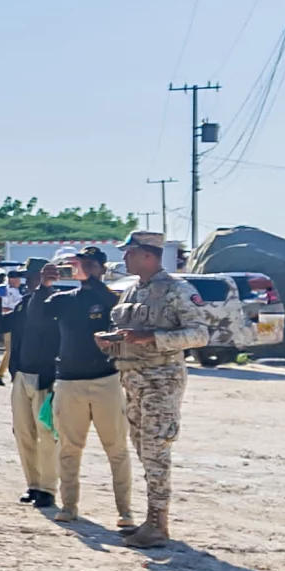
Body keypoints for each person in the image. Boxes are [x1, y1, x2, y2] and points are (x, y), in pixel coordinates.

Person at [101, 230, 209, 546]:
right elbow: (127, 330)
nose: (124, 258)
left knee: (156, 449)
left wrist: (154, 338)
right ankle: (151, 520)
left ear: (148, 255)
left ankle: (158, 525)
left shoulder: (177, 290)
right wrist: (111, 341)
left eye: (130, 252)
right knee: (143, 450)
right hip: (132, 380)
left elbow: (200, 335)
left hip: (161, 381)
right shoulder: (132, 291)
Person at [46, 246, 133, 528]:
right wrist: (43, 285)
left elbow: (111, 305)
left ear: (102, 268)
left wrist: (93, 280)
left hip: (104, 379)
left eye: (90, 264)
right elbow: (39, 315)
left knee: (116, 448)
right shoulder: (64, 299)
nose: (82, 267)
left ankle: (125, 511)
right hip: (69, 381)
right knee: (69, 448)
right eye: (79, 263)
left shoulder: (110, 298)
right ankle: (69, 505)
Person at [0, 259, 60, 507]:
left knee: (47, 434)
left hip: (45, 377)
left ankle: (48, 488)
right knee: (23, 433)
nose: (27, 281)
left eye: (31, 276)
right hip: (21, 377)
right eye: (26, 277)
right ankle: (34, 485)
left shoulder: (55, 303)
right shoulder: (24, 304)